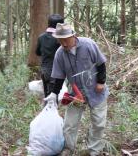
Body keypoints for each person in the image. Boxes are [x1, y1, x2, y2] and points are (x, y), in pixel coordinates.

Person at [44, 23, 109, 156]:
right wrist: (53, 93)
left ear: (73, 35)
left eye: (66, 39)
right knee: (69, 124)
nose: (64, 43)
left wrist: (101, 82)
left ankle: (94, 150)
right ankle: (68, 148)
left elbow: (101, 63)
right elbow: (59, 77)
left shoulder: (88, 45)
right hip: (76, 94)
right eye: (60, 40)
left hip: (96, 91)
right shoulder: (59, 54)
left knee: (98, 123)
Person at [36, 14, 64, 97]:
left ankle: (47, 109)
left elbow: (37, 52)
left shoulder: (41, 37)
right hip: (56, 71)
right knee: (53, 96)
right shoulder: (60, 38)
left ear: (48, 24)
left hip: (44, 71)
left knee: (47, 96)